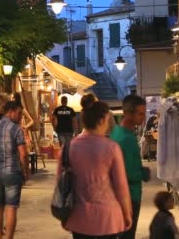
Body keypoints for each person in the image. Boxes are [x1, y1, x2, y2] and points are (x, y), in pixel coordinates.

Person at [60, 101, 132, 239]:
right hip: (107, 219)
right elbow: (121, 186)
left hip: (79, 217)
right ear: (101, 120)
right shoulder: (112, 148)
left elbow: (62, 183)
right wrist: (127, 213)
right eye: (107, 120)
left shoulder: (68, 147)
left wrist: (64, 215)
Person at [0, 101, 30, 239]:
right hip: (12, 173)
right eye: (20, 113)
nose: (21, 117)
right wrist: (26, 171)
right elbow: (24, 154)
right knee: (11, 207)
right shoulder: (16, 129)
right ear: (11, 111)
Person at [109, 94, 151, 239]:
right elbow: (125, 172)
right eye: (140, 113)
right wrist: (143, 173)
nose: (143, 117)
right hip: (128, 196)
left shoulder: (119, 132)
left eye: (144, 113)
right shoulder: (125, 137)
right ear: (127, 113)